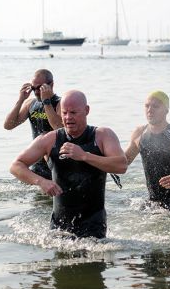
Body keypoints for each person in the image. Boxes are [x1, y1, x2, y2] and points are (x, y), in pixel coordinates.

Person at [10, 90, 127, 238]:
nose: (68, 118)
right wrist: (41, 181)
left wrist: (84, 155)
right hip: (59, 227)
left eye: (73, 112)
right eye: (64, 113)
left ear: (86, 110)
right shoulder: (50, 139)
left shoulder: (103, 135)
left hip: (94, 226)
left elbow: (121, 165)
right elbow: (16, 165)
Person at [4, 69, 62, 179]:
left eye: (40, 88)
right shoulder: (30, 103)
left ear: (51, 84)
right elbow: (8, 125)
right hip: (36, 164)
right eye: (33, 88)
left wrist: (46, 102)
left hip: (55, 165)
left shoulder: (60, 103)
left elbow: (59, 128)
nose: (36, 92)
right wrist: (21, 99)